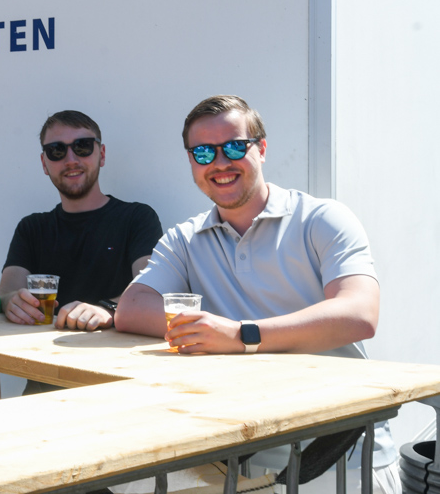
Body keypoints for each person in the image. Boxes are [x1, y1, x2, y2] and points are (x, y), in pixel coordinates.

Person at [114, 95, 399, 494]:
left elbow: (359, 314)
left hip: (340, 457)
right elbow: (131, 308)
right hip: (245, 456)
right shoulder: (185, 238)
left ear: (261, 149)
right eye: (203, 152)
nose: (219, 162)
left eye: (234, 147)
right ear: (191, 162)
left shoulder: (321, 218)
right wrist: (207, 329)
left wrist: (240, 335)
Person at [0, 110, 162, 331]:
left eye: (82, 146)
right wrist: (11, 302)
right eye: (56, 151)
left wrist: (107, 309)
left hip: (113, 350)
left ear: (101, 154)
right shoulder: (31, 229)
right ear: (44, 163)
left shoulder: (137, 218)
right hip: (40, 350)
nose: (71, 160)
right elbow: (6, 293)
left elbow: (151, 290)